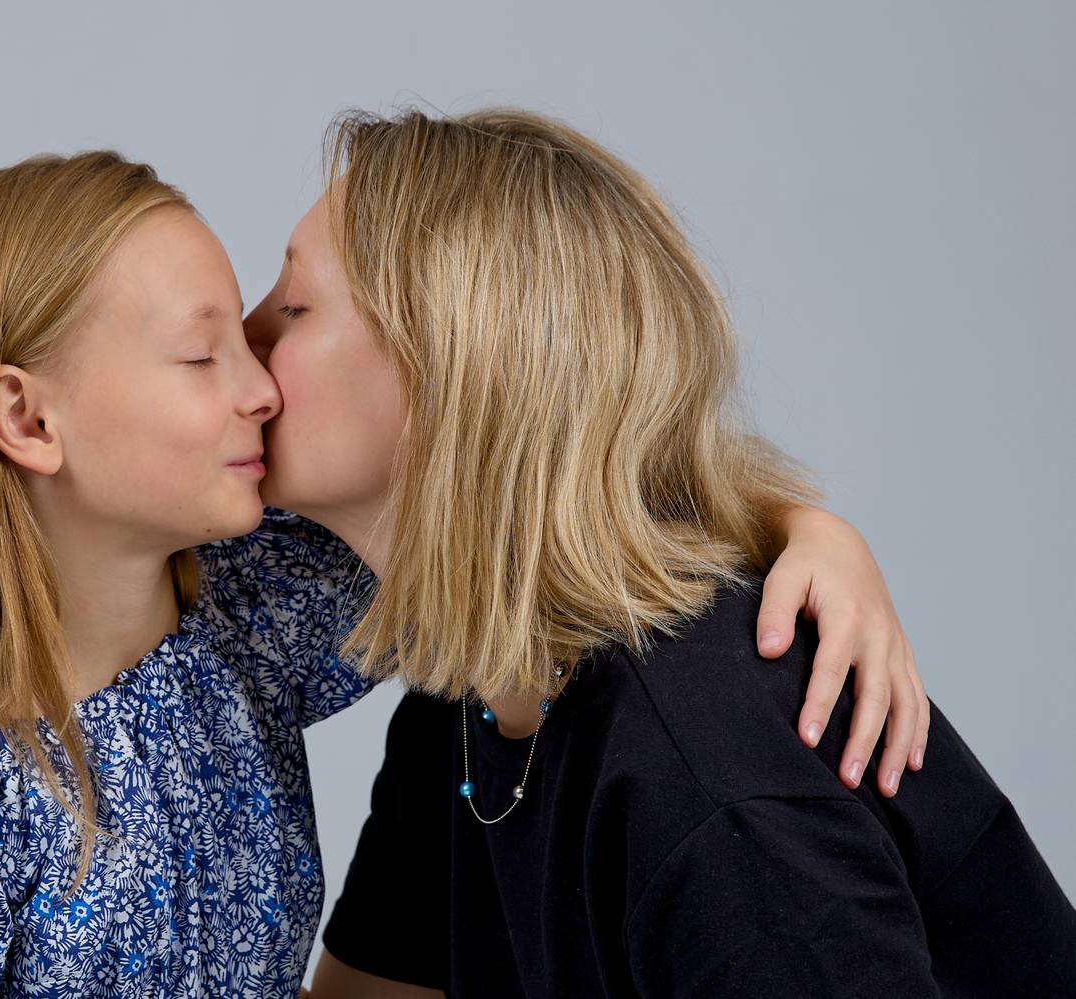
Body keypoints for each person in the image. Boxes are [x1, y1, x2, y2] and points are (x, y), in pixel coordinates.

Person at [0, 147, 927, 998]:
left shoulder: (247, 630)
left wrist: (800, 525)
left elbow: (518, 478)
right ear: (26, 419)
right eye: (200, 353)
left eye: (273, 318)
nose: (258, 383)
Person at [235, 107, 1076, 997]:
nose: (240, 345)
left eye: (293, 306)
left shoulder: (705, 779)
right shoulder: (474, 706)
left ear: (454, 366)